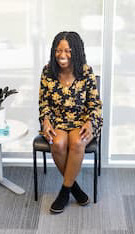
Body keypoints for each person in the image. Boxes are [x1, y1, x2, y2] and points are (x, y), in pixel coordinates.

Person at [39, 31, 103, 214]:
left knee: (77, 143)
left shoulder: (85, 71)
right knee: (57, 143)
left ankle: (64, 192)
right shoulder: (48, 71)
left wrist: (90, 122)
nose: (62, 55)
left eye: (67, 50)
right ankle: (74, 188)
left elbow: (94, 103)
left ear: (76, 51)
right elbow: (43, 102)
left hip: (82, 120)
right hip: (56, 120)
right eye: (58, 51)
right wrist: (46, 122)